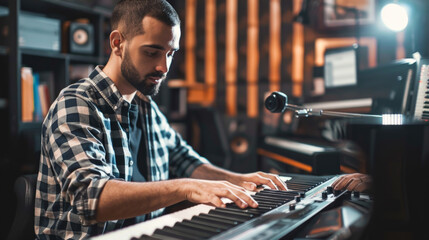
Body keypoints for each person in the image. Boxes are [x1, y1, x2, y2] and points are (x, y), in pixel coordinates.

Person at [34, 0, 287, 239]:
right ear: (117, 43)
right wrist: (185, 187)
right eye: (153, 52)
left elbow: (183, 160)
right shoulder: (76, 103)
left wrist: (236, 180)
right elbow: (90, 198)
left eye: (170, 54)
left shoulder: (146, 107)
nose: (163, 67)